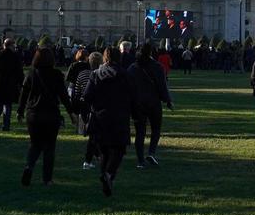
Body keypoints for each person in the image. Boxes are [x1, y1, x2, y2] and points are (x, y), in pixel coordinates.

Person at [78, 47, 135, 196]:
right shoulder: (125, 75)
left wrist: (86, 114)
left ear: (105, 58)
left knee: (104, 151)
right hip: (119, 117)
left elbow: (87, 96)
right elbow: (133, 97)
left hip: (100, 117)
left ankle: (106, 178)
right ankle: (108, 175)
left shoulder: (96, 74)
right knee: (119, 150)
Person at [16, 46, 70, 186]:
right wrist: (72, 113)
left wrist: (20, 111)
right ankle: (47, 179)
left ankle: (29, 167)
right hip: (51, 114)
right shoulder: (57, 74)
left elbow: (23, 95)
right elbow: (64, 97)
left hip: (33, 114)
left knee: (35, 144)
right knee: (49, 147)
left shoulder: (31, 74)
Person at [126, 43, 174, 168]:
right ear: (151, 53)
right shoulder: (157, 67)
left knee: (140, 132)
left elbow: (128, 87)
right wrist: (167, 100)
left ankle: (140, 160)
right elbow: (162, 86)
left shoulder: (132, 68)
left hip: (137, 103)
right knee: (156, 129)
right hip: (153, 102)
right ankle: (151, 152)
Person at [0, 37, 23, 131]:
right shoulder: (15, 56)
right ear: (10, 45)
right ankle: (6, 125)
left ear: (4, 45)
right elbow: (19, 72)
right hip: (11, 84)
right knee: (8, 105)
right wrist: (21, 83)